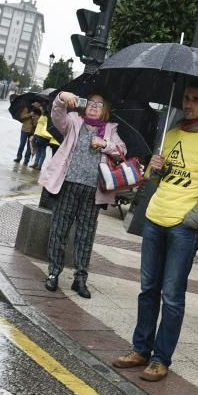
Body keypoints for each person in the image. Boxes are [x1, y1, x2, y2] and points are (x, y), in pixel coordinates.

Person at [113, 81, 198, 383]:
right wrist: (155, 166)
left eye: (195, 100)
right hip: (155, 219)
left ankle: (161, 358)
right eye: (186, 98)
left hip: (182, 228)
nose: (188, 104)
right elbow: (155, 178)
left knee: (173, 296)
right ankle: (141, 349)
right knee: (148, 289)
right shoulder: (173, 132)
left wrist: (192, 220)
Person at [38, 91, 126, 299]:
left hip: (93, 192)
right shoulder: (73, 122)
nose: (95, 106)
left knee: (85, 236)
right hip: (68, 185)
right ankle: (53, 273)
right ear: (84, 106)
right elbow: (57, 114)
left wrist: (105, 145)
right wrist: (61, 97)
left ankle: (80, 279)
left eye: (100, 104)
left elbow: (121, 151)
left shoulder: (111, 130)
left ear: (106, 111)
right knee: (59, 230)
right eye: (91, 103)